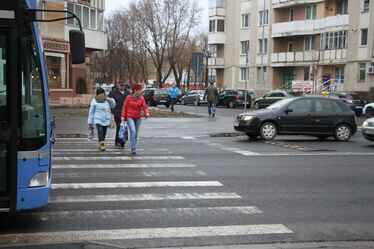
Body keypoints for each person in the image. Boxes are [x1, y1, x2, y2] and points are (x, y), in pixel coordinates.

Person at [121, 83, 150, 155]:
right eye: (139, 90)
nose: (140, 91)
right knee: (133, 131)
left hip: (137, 117)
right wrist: (122, 117)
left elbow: (145, 106)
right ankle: (133, 148)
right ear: (135, 90)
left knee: (136, 133)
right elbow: (125, 107)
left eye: (141, 90)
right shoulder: (128, 97)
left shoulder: (141, 98)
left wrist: (146, 112)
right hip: (129, 116)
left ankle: (134, 146)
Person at [109, 80, 130, 147]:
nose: (122, 87)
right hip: (117, 112)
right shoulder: (113, 92)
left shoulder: (127, 92)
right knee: (120, 126)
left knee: (124, 126)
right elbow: (109, 102)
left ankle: (122, 140)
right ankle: (119, 140)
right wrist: (112, 110)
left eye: (123, 85)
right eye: (121, 85)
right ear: (117, 85)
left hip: (126, 112)